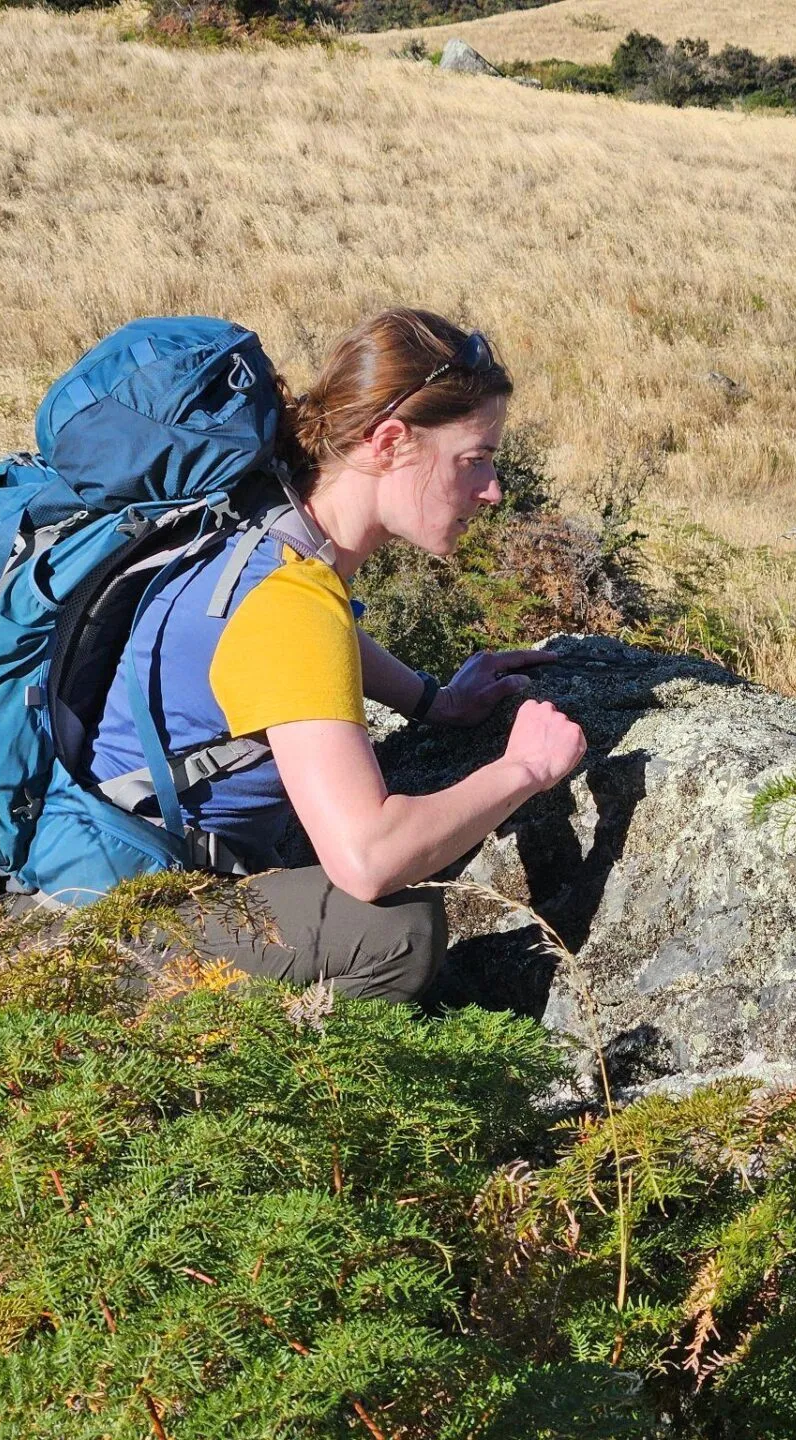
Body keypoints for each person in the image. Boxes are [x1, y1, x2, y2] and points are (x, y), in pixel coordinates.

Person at [85, 308, 587, 1002]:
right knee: (395, 930)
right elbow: (366, 859)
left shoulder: (264, 529)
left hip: (98, 874)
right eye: (475, 460)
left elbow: (291, 650)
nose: (493, 490)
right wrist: (525, 769)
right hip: (116, 933)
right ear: (389, 443)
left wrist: (431, 700)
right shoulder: (292, 600)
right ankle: (280, 1093)